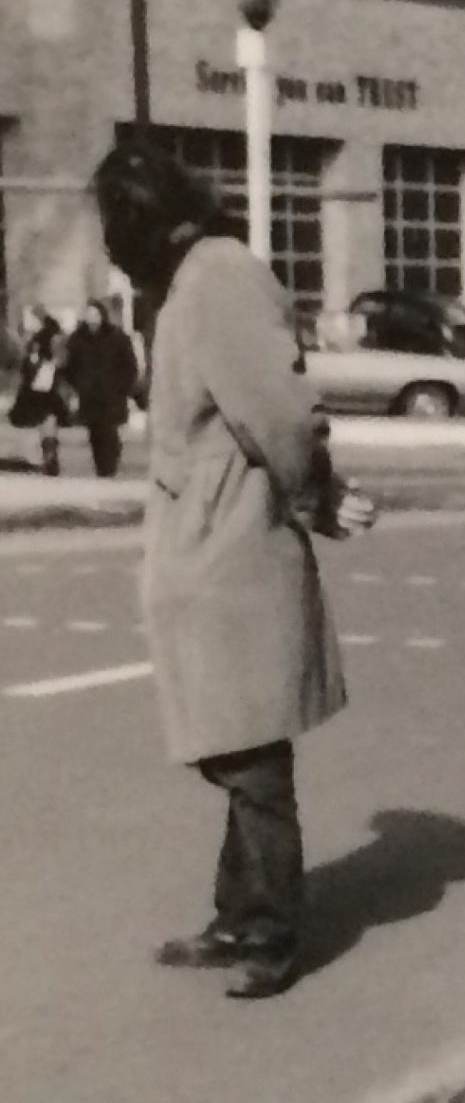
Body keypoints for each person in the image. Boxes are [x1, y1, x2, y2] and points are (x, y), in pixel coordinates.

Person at [92, 140, 346, 1000]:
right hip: (208, 538)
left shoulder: (220, 276)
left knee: (249, 753)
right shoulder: (195, 276)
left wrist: (316, 495)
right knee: (234, 743)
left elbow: (281, 415)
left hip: (232, 541)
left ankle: (270, 931)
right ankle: (241, 913)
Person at [60, 297, 139, 478]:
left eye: (95, 314)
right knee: (95, 432)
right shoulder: (77, 338)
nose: (92, 318)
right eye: (89, 314)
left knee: (109, 430)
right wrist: (77, 384)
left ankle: (110, 465)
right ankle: (101, 466)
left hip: (111, 393)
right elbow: (70, 366)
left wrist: (123, 386)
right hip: (89, 394)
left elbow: (129, 365)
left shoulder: (117, 337)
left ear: (102, 315)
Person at [5, 306, 66, 475]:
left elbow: (55, 361)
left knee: (45, 419)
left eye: (30, 319)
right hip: (38, 389)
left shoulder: (45, 340)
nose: (27, 322)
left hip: (42, 388)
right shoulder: (35, 340)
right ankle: (47, 457)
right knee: (45, 420)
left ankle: (48, 457)